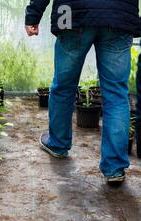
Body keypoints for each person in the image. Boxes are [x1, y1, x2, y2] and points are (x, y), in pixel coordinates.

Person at [25, 0, 140, 186]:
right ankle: (115, 167)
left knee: (64, 87)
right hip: (119, 16)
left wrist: (33, 15)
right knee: (116, 95)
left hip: (70, 12)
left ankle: (58, 144)